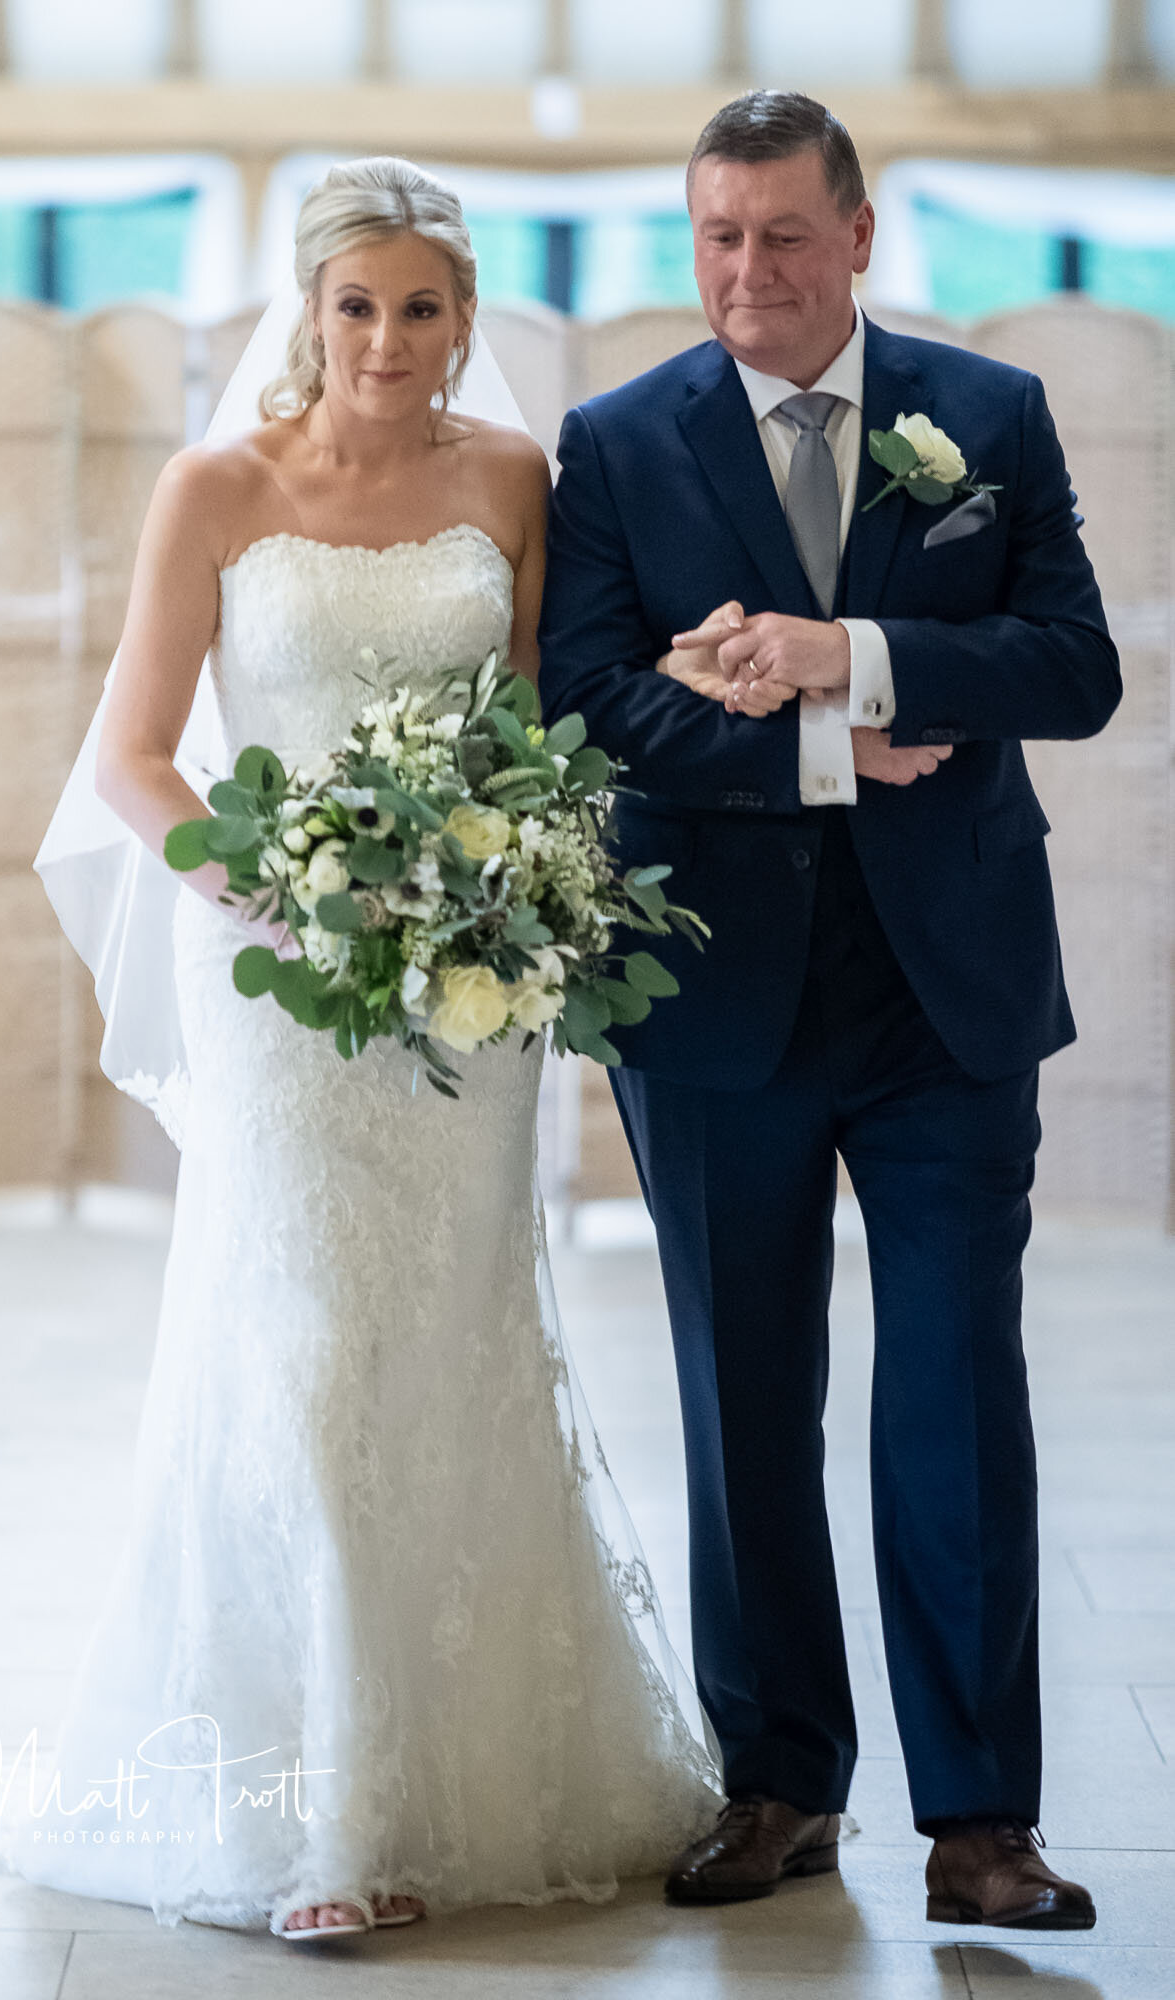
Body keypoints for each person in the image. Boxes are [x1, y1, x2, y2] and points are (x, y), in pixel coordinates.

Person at [0, 156, 725, 1942]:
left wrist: (504, 873)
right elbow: (130, 756)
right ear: (306, 309)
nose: (389, 341)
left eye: (423, 309)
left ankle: (470, 1766)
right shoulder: (218, 486)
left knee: (459, 1340)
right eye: (358, 305)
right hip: (282, 985)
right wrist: (266, 894)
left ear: (463, 321)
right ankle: (329, 1816)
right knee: (314, 1359)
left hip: (462, 994)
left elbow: (552, 724)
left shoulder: (511, 481)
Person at [537, 90, 1121, 1930]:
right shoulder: (615, 441)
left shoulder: (989, 414)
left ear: (858, 236)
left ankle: (981, 1820)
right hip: (713, 993)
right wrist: (816, 744)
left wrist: (850, 651)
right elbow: (583, 700)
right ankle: (778, 1781)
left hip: (949, 994)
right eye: (713, 236)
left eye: (781, 235)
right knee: (742, 1397)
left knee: (955, 1392)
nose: (743, 274)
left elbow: (1074, 669)